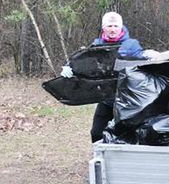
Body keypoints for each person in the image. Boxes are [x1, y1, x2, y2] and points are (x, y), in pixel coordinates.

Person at [61, 12, 159, 142]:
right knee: (96, 132)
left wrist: (147, 55)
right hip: (105, 97)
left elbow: (141, 62)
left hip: (127, 98)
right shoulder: (96, 46)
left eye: (115, 26)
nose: (113, 29)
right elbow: (84, 63)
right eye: (109, 26)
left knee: (126, 133)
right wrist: (69, 67)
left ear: (121, 27)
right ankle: (99, 158)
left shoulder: (131, 45)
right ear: (103, 28)